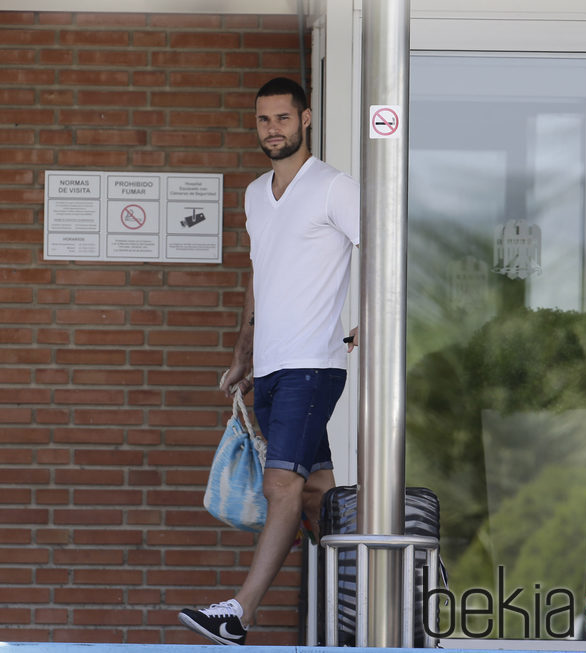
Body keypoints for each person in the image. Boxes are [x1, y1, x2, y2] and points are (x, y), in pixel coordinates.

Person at [178, 76, 360, 646]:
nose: (272, 130)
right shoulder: (256, 193)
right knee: (316, 495)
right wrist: (243, 354)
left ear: (305, 120)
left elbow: (384, 250)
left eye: (283, 118)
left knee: (280, 484)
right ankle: (367, 600)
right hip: (274, 367)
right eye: (263, 120)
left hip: (314, 363)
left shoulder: (335, 187)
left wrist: (372, 324)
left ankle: (240, 613)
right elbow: (260, 276)